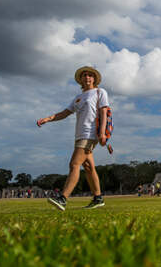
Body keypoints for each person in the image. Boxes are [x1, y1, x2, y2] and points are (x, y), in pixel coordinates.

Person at [37, 66, 109, 211]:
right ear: (81, 80)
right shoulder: (78, 98)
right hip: (79, 135)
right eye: (84, 76)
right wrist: (48, 118)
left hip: (90, 134)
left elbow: (104, 113)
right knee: (88, 167)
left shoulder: (100, 92)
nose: (87, 78)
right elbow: (65, 113)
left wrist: (102, 133)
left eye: (90, 75)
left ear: (94, 79)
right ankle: (98, 198)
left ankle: (63, 198)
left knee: (74, 164)